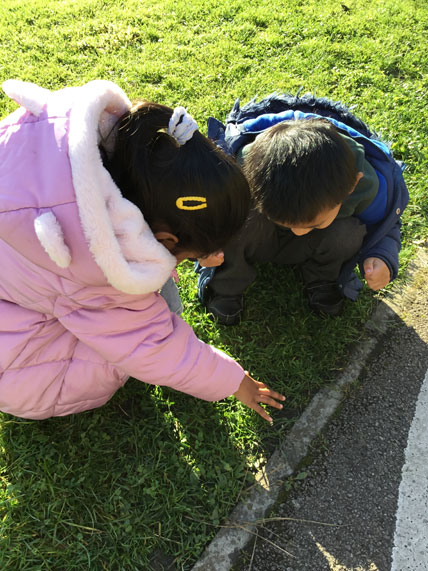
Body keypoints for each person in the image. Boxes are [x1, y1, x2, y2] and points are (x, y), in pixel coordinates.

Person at [0, 79, 285, 421]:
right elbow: (153, 348)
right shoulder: (100, 272)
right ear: (165, 239)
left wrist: (189, 251)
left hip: (17, 287)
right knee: (108, 364)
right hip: (16, 364)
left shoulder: (58, 139)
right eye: (192, 256)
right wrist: (236, 381)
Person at [197, 93, 409, 324]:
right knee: (236, 220)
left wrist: (383, 256)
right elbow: (205, 217)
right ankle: (226, 285)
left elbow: (385, 225)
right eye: (286, 222)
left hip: (320, 244)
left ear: (352, 186)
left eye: (314, 222)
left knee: (349, 231)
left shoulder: (367, 186)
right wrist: (205, 248)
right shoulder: (239, 171)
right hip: (258, 235)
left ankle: (322, 278)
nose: (298, 232)